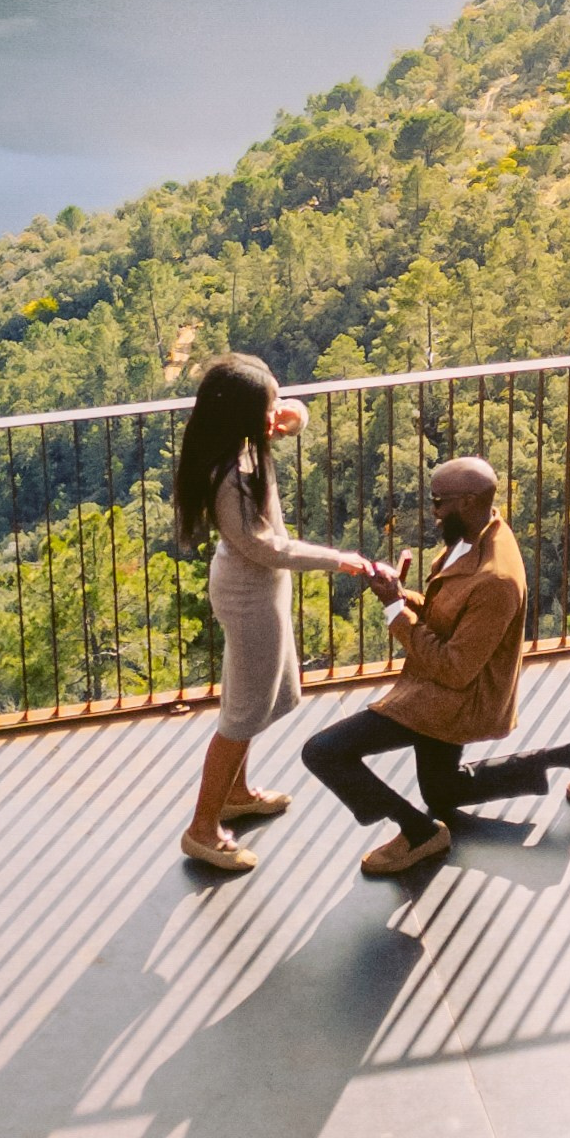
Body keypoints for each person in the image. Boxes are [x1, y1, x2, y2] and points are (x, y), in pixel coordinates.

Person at [302, 454, 570, 877]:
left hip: (454, 698)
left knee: (323, 752)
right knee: (442, 793)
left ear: (467, 501)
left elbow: (456, 669)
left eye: (438, 502)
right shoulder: (479, 532)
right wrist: (400, 595)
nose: (433, 512)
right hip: (443, 684)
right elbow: (450, 615)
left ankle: (419, 834)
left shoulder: (495, 579)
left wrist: (395, 610)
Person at [174, 354, 394, 876]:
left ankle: (235, 795)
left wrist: (293, 415)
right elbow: (265, 547)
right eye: (269, 407)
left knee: (261, 698)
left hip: (261, 590)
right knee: (242, 714)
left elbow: (289, 413)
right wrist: (338, 560)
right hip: (250, 594)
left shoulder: (239, 441)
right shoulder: (230, 475)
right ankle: (202, 829)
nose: (278, 413)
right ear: (245, 416)